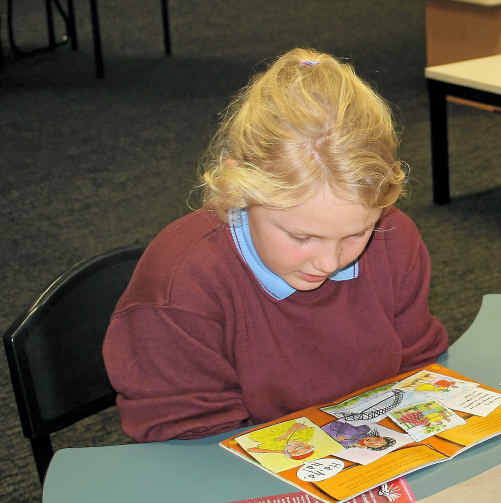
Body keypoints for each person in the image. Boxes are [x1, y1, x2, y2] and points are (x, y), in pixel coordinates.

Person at [103, 48, 449, 443]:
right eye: (302, 237)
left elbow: (418, 366)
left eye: (356, 234)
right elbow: (191, 443)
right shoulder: (183, 284)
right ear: (239, 187)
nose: (329, 262)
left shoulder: (393, 236)